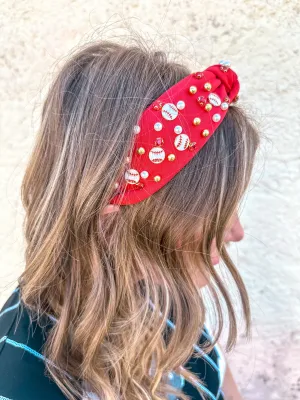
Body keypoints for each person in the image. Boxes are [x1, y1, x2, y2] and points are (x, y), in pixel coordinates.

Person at [0, 39, 260, 400]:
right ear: (113, 228)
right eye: (213, 216)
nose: (237, 232)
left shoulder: (160, 293)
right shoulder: (22, 385)